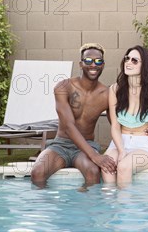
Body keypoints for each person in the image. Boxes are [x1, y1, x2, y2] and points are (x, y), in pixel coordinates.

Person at [31, 43, 117, 188]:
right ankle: (48, 208)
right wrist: (95, 156)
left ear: (103, 65)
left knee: (93, 172)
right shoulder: (64, 87)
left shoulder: (107, 94)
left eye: (98, 61)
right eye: (88, 60)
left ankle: (84, 207)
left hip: (86, 146)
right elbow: (69, 126)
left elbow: (116, 124)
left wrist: (142, 132)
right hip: (61, 145)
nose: (93, 65)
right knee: (37, 172)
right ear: (81, 64)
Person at [101, 45, 148, 187]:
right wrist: (121, 150)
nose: (128, 62)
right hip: (120, 141)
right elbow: (115, 126)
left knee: (124, 167)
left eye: (134, 60)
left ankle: (125, 206)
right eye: (127, 58)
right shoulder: (115, 89)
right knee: (107, 167)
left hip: (143, 143)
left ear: (144, 66)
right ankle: (110, 206)